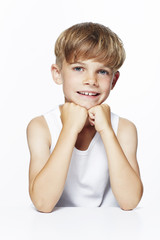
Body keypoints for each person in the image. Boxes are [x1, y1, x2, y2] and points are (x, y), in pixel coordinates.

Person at [27, 22, 143, 213]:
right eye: (79, 68)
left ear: (113, 80)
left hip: (110, 229)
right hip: (53, 230)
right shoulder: (41, 127)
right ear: (58, 74)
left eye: (102, 71)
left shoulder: (124, 129)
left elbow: (130, 201)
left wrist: (106, 131)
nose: (91, 80)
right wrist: (70, 129)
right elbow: (43, 203)